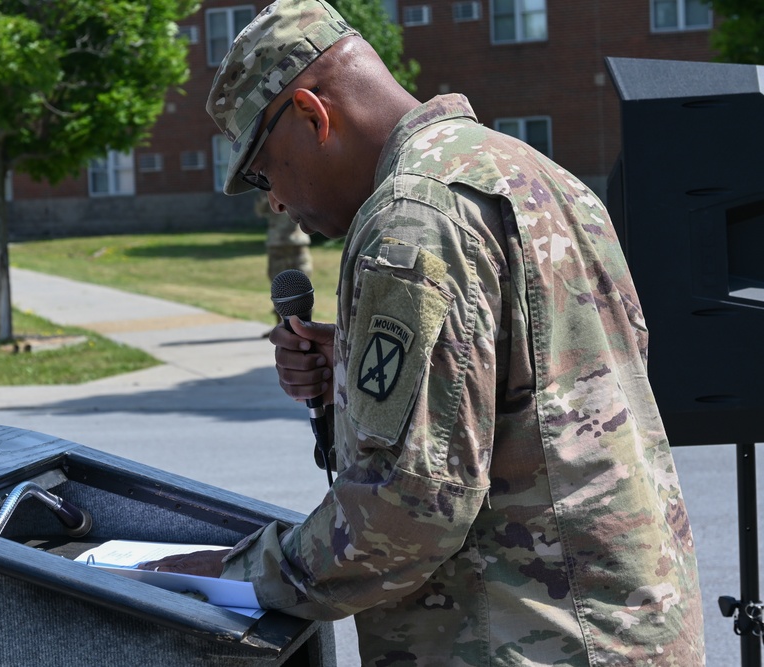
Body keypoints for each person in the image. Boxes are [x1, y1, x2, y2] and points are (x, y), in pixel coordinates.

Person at [143, 0, 706, 663]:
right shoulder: (538, 175)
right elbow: (578, 384)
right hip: (628, 629)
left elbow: (408, 511)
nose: (273, 200)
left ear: (311, 115)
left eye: (264, 170)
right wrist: (360, 368)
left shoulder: (409, 218)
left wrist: (231, 573)